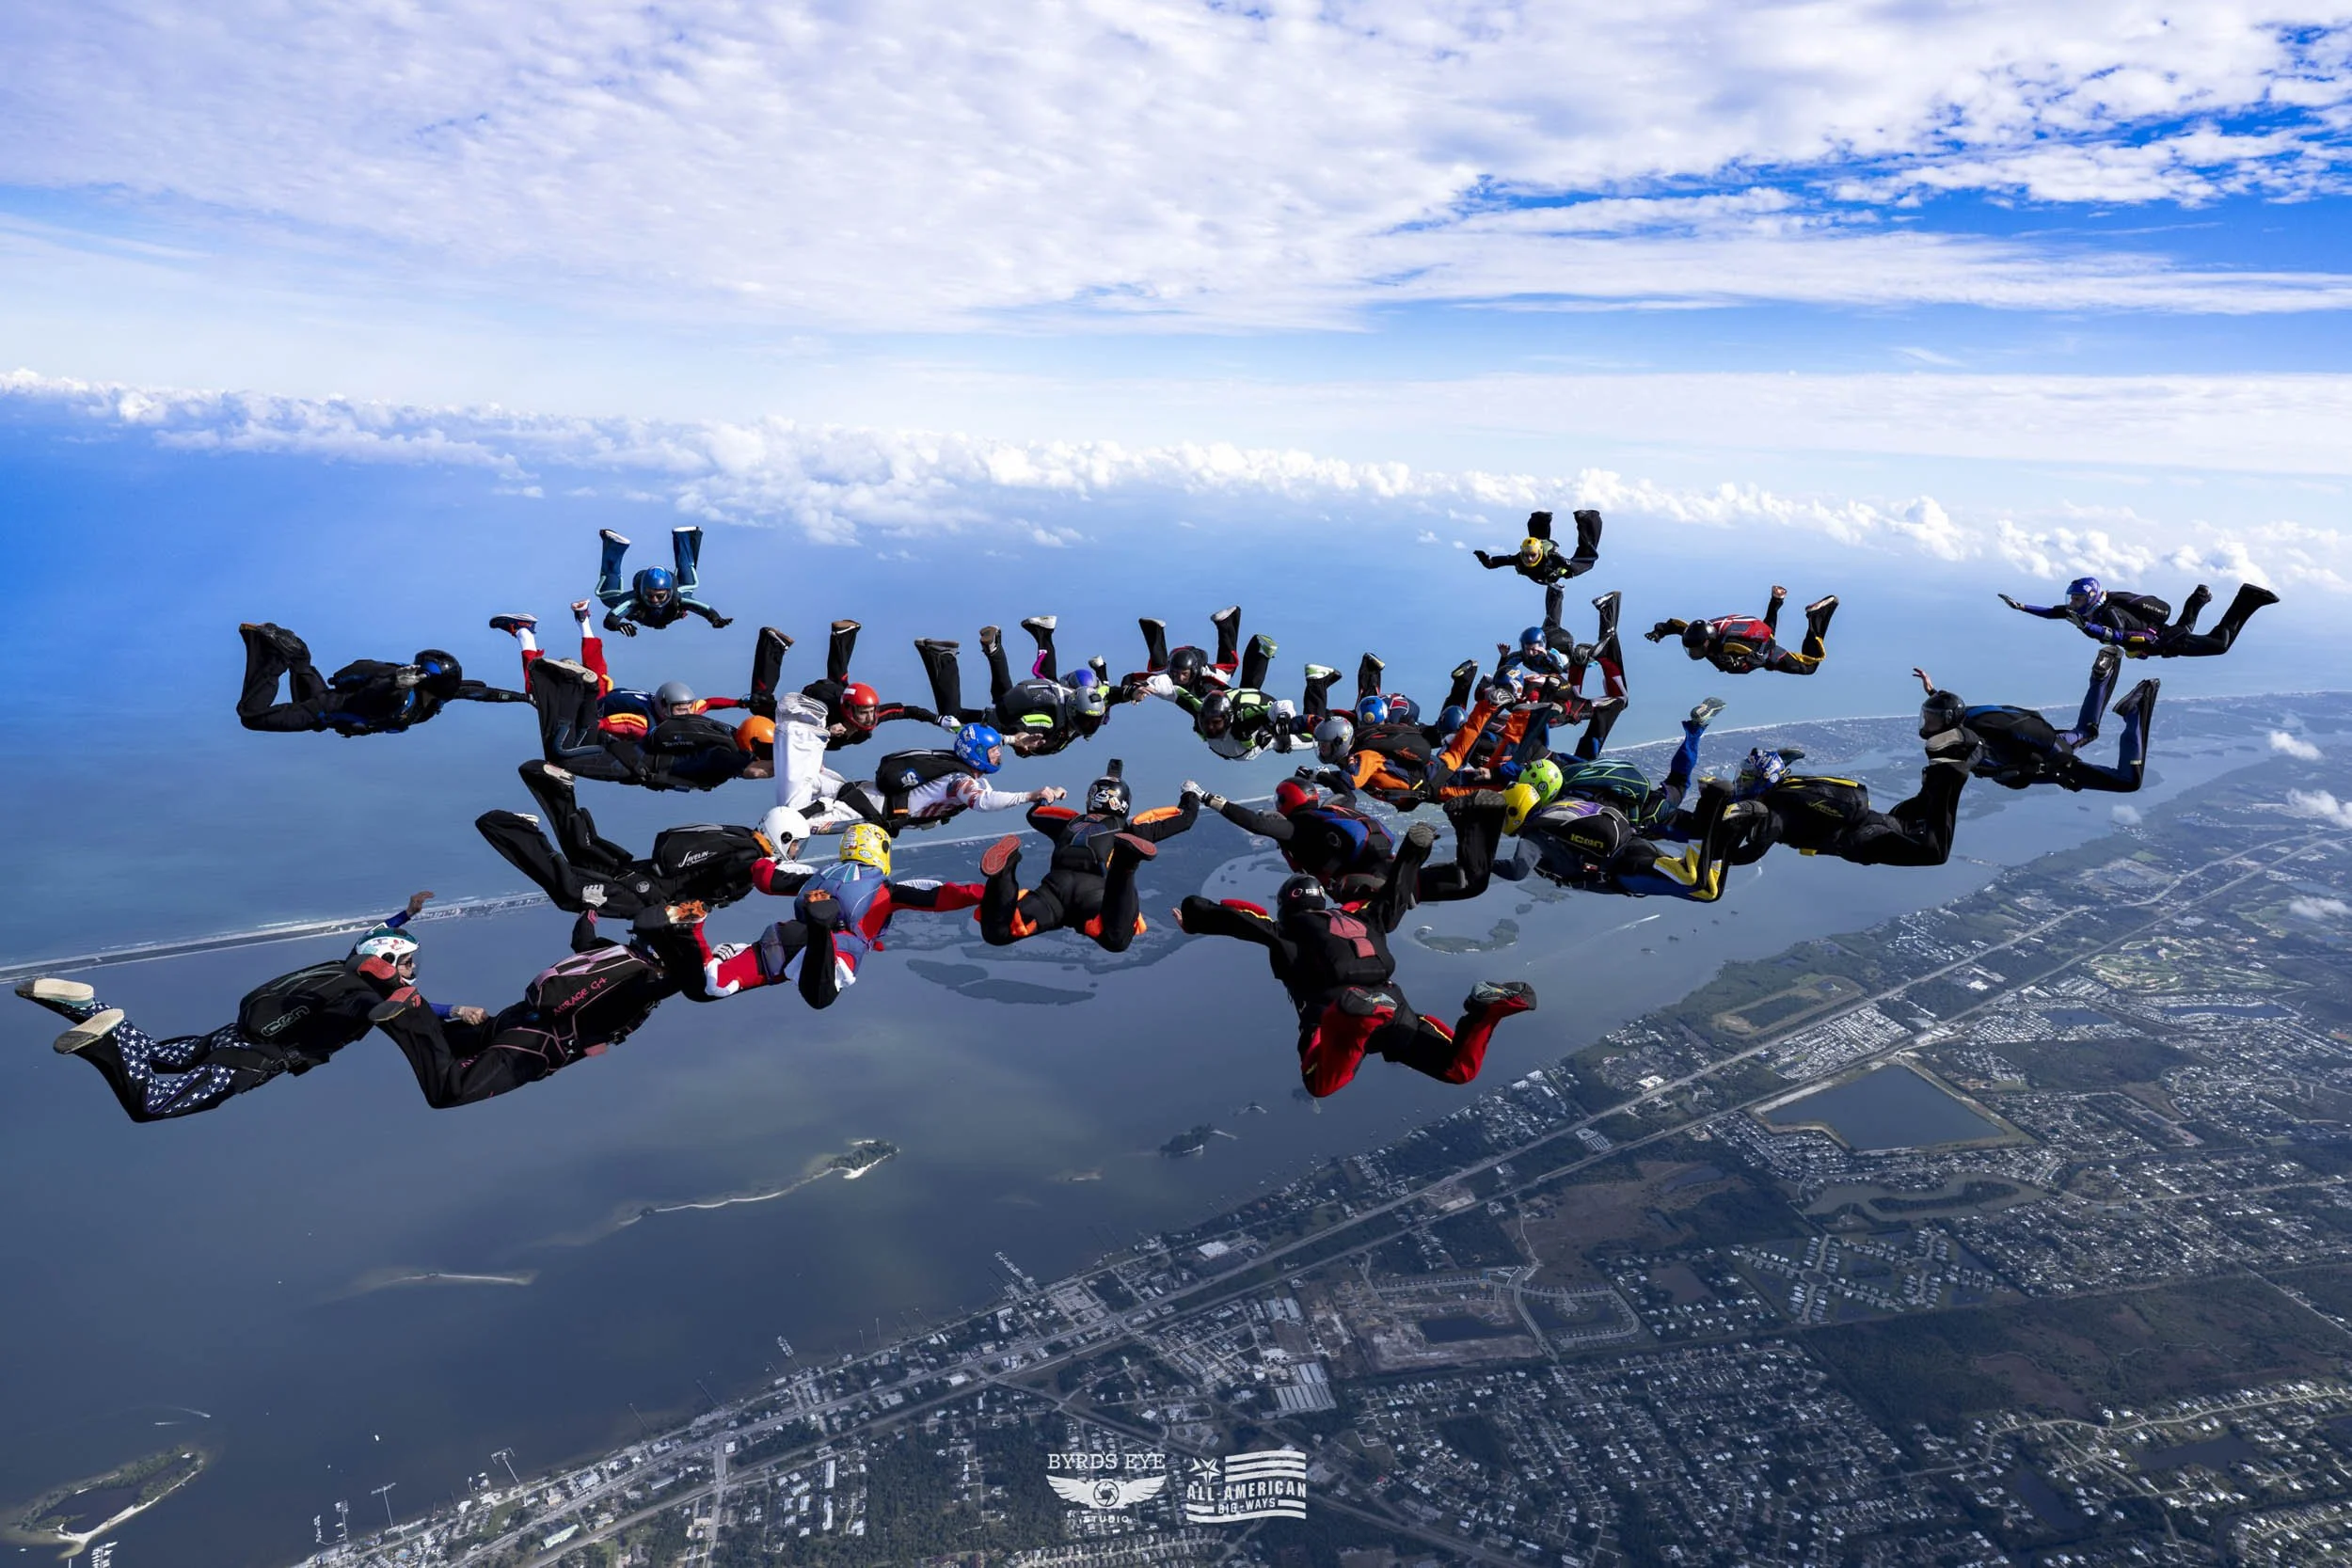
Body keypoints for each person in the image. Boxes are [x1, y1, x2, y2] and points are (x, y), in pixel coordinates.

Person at [13, 894, 453, 1121]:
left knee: (154, 1055)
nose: (413, 969)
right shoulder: (368, 996)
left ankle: (83, 1004)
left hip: (232, 1034)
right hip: (247, 1062)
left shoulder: (347, 964)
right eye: (408, 962)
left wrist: (405, 915)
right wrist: (453, 1012)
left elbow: (376, 935)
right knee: (150, 1104)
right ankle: (100, 1042)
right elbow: (402, 1009)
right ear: (390, 963)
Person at [1175, 874, 1536, 1098]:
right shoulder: (1358, 916)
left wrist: (1194, 916)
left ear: (1287, 906)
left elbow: (1242, 918)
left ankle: (1359, 1018)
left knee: (1320, 1083)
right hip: (1397, 1009)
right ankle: (1485, 1011)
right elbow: (1394, 893)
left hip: (1336, 1013)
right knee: (1458, 1069)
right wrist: (1414, 853)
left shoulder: (1287, 930)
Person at [366, 908, 686, 1107]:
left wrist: (590, 907)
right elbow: (666, 986)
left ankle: (384, 995)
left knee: (440, 1038)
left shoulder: (614, 953)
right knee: (450, 1091)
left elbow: (582, 938)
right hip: (533, 1048)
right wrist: (701, 967)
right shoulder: (640, 983)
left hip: (514, 1018)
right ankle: (412, 1006)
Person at [676, 823, 984, 1009]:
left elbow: (767, 879)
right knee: (819, 997)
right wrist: (986, 893)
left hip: (786, 937)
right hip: (835, 947)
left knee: (711, 986)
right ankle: (822, 924)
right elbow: (940, 895)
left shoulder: (819, 875)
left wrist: (761, 855)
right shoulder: (887, 891)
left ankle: (693, 929)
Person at [476, 759, 790, 919]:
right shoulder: (749, 860)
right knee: (571, 893)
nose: (795, 850)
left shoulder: (741, 837)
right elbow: (719, 883)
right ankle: (519, 829)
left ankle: (555, 788)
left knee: (583, 855)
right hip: (647, 896)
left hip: (643, 873)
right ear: (783, 837)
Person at [977, 763, 1199, 952]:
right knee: (1116, 939)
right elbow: (1184, 820)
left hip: (1054, 890)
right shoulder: (1132, 829)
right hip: (1093, 894)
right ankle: (1125, 864)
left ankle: (1005, 872)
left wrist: (1047, 798)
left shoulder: (1069, 822)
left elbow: (1034, 815)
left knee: (999, 931)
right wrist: (1190, 794)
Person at [1714, 728, 1978, 867]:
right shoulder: (1787, 787)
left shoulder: (1773, 812)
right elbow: (1780, 761)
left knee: (1934, 853)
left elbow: (1752, 853)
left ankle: (1953, 776)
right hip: (1877, 823)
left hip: (1864, 841)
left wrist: (1718, 857)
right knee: (1912, 817)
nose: (1742, 781)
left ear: (1764, 781)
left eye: (1748, 778)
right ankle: (1946, 768)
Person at [1917, 651, 2157, 794]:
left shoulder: (1981, 733)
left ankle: (2136, 709)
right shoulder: (1966, 718)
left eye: (1931, 720)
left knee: (2129, 782)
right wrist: (1933, 692)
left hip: (2047, 756)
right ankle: (2102, 676)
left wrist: (2061, 769)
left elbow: (2032, 732)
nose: (1927, 725)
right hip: (2033, 759)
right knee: (2086, 731)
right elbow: (1949, 710)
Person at [528, 655, 773, 791]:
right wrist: (800, 766)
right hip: (629, 760)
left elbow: (710, 702)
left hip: (632, 757)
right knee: (561, 752)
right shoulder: (729, 754)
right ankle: (585, 687)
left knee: (573, 747)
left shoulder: (718, 730)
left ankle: (584, 686)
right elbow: (755, 771)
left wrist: (739, 703)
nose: (685, 712)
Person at [236, 623, 526, 736]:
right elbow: (368, 698)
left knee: (304, 672)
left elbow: (480, 693)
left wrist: (523, 698)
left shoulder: (434, 695)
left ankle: (294, 651)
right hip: (322, 709)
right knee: (251, 717)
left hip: (329, 708)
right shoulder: (396, 693)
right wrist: (394, 683)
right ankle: (271, 655)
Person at [1494, 777, 1750, 902]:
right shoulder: (1558, 808)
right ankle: (1726, 828)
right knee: (1707, 892)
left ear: (1515, 810)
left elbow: (1517, 870)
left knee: (1691, 879)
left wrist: (1482, 863)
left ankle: (1712, 800)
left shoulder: (1533, 836)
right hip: (1630, 850)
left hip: (1624, 869)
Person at [916, 616, 1131, 757]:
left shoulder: (1088, 704)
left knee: (1004, 694)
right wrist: (1018, 739)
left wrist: (1130, 692)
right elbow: (1023, 724)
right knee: (952, 715)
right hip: (1004, 719)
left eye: (1093, 721)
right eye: (1087, 720)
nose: (1089, 725)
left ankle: (997, 647)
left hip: (1019, 701)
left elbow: (1107, 693)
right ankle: (943, 655)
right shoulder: (1050, 721)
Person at [834, 722, 1068, 834]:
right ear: (976, 754)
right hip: (863, 810)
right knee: (801, 824)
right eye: (993, 751)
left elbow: (981, 737)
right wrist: (1030, 796)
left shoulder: (954, 762)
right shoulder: (958, 780)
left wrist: (1013, 740)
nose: (998, 755)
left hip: (867, 795)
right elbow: (982, 802)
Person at [1998, 576, 2277, 657]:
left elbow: (2128, 636)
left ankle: (2249, 599)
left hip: (2164, 641)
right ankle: (2199, 597)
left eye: (2078, 598)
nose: (2072, 603)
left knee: (2219, 645)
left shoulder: (2108, 613)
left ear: (2092, 596)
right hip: (2162, 637)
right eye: (2072, 598)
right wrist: (2022, 607)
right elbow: (2052, 613)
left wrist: (2100, 633)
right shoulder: (2085, 612)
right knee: (2185, 626)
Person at [800, 619, 956, 750]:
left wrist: (938, 720)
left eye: (871, 711)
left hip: (842, 696)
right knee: (836, 681)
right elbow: (796, 733)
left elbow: (907, 711)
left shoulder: (873, 716)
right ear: (849, 711)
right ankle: (775, 647)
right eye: (863, 713)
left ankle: (842, 635)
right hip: (817, 694)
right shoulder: (826, 716)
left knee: (840, 681)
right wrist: (826, 731)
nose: (869, 718)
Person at [1645, 585, 1837, 675]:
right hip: (1758, 631)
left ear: (1708, 640)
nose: (1695, 653)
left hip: (1763, 646)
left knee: (1810, 666)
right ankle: (1776, 599)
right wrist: (1660, 631)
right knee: (1768, 629)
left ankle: (1817, 616)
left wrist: (1740, 665)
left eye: (1696, 649)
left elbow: (1759, 656)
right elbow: (1679, 626)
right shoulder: (1700, 632)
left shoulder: (1731, 645)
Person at [594, 526, 732, 633]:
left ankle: (614, 546)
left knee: (609, 598)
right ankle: (684, 537)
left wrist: (716, 619)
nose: (654, 600)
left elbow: (705, 609)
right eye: (650, 595)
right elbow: (610, 620)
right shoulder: (635, 601)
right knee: (687, 586)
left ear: (668, 592)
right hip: (661, 608)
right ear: (642, 591)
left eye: (660, 596)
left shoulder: (675, 600)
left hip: (665, 604)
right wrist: (715, 619)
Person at [1131, 605, 1244, 696]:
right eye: (1176, 673)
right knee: (1157, 669)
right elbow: (1132, 677)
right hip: (1179, 654)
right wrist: (1129, 691)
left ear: (1193, 671)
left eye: (1184, 674)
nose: (1180, 678)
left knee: (1229, 668)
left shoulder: (1207, 679)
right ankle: (1152, 628)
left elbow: (1229, 692)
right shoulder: (1167, 674)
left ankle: (1225, 622)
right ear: (1171, 669)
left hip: (1194, 657)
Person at [1472, 508, 1602, 586]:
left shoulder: (1551, 558)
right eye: (1526, 555)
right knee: (1537, 539)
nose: (1528, 559)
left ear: (1539, 554)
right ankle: (1541, 519)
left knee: (1587, 561)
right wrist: (1485, 560)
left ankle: (1588, 518)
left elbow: (1574, 567)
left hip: (1555, 566)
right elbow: (1498, 562)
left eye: (1532, 555)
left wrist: (1563, 562)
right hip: (1543, 571)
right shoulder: (1519, 558)